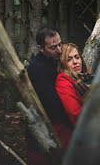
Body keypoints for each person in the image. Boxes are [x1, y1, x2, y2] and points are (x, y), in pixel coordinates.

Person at [26, 27, 73, 164]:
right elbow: (54, 105)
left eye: (60, 44)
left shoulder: (58, 59)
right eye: (53, 47)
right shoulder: (37, 69)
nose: (59, 50)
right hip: (47, 126)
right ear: (41, 48)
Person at [55, 43, 94, 148]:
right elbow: (75, 113)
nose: (75, 62)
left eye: (77, 57)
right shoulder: (63, 81)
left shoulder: (88, 76)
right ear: (63, 63)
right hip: (77, 137)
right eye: (69, 59)